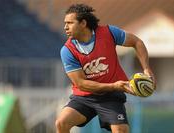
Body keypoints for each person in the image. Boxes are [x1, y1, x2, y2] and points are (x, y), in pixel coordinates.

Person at [56, 3, 156, 133]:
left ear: (83, 23)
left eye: (70, 23)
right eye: (65, 23)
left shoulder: (109, 33)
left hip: (111, 97)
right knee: (61, 123)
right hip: (85, 97)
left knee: (121, 130)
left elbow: (137, 42)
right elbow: (81, 84)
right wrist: (114, 86)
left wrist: (147, 69)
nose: (65, 27)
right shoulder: (67, 50)